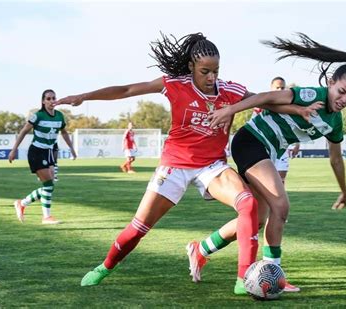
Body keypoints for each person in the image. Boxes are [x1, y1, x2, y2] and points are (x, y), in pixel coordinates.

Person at [54, 32, 259, 294]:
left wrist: (299, 107)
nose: (211, 78)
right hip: (175, 164)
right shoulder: (174, 84)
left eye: (216, 71)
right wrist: (85, 96)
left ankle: (244, 278)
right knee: (139, 228)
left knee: (248, 203)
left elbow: (263, 99)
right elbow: (127, 90)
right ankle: (104, 267)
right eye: (205, 71)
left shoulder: (231, 91)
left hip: (213, 166)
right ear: (191, 68)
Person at [192, 32, 346, 293]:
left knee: (257, 219)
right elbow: (264, 98)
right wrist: (229, 110)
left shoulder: (334, 122)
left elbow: (336, 160)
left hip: (265, 151)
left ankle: (200, 250)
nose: (344, 100)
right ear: (330, 82)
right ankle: (273, 275)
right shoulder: (308, 95)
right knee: (280, 206)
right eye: (341, 91)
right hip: (251, 141)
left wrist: (344, 190)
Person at [8, 89, 77, 224]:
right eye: (48, 99)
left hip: (49, 153)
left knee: (48, 186)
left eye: (53, 98)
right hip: (36, 152)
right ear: (43, 101)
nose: (51, 101)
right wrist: (14, 150)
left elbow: (64, 133)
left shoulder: (59, 116)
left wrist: (72, 148)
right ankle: (46, 217)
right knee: (49, 184)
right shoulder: (38, 116)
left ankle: (22, 203)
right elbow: (23, 131)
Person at [252, 76, 300, 185]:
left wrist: (297, 144)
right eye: (277, 88)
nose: (280, 90)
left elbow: (295, 126)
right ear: (271, 88)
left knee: (281, 180)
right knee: (265, 180)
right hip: (266, 147)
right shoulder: (261, 104)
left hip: (282, 148)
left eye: (282, 88)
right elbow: (253, 125)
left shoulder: (290, 105)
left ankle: (278, 201)